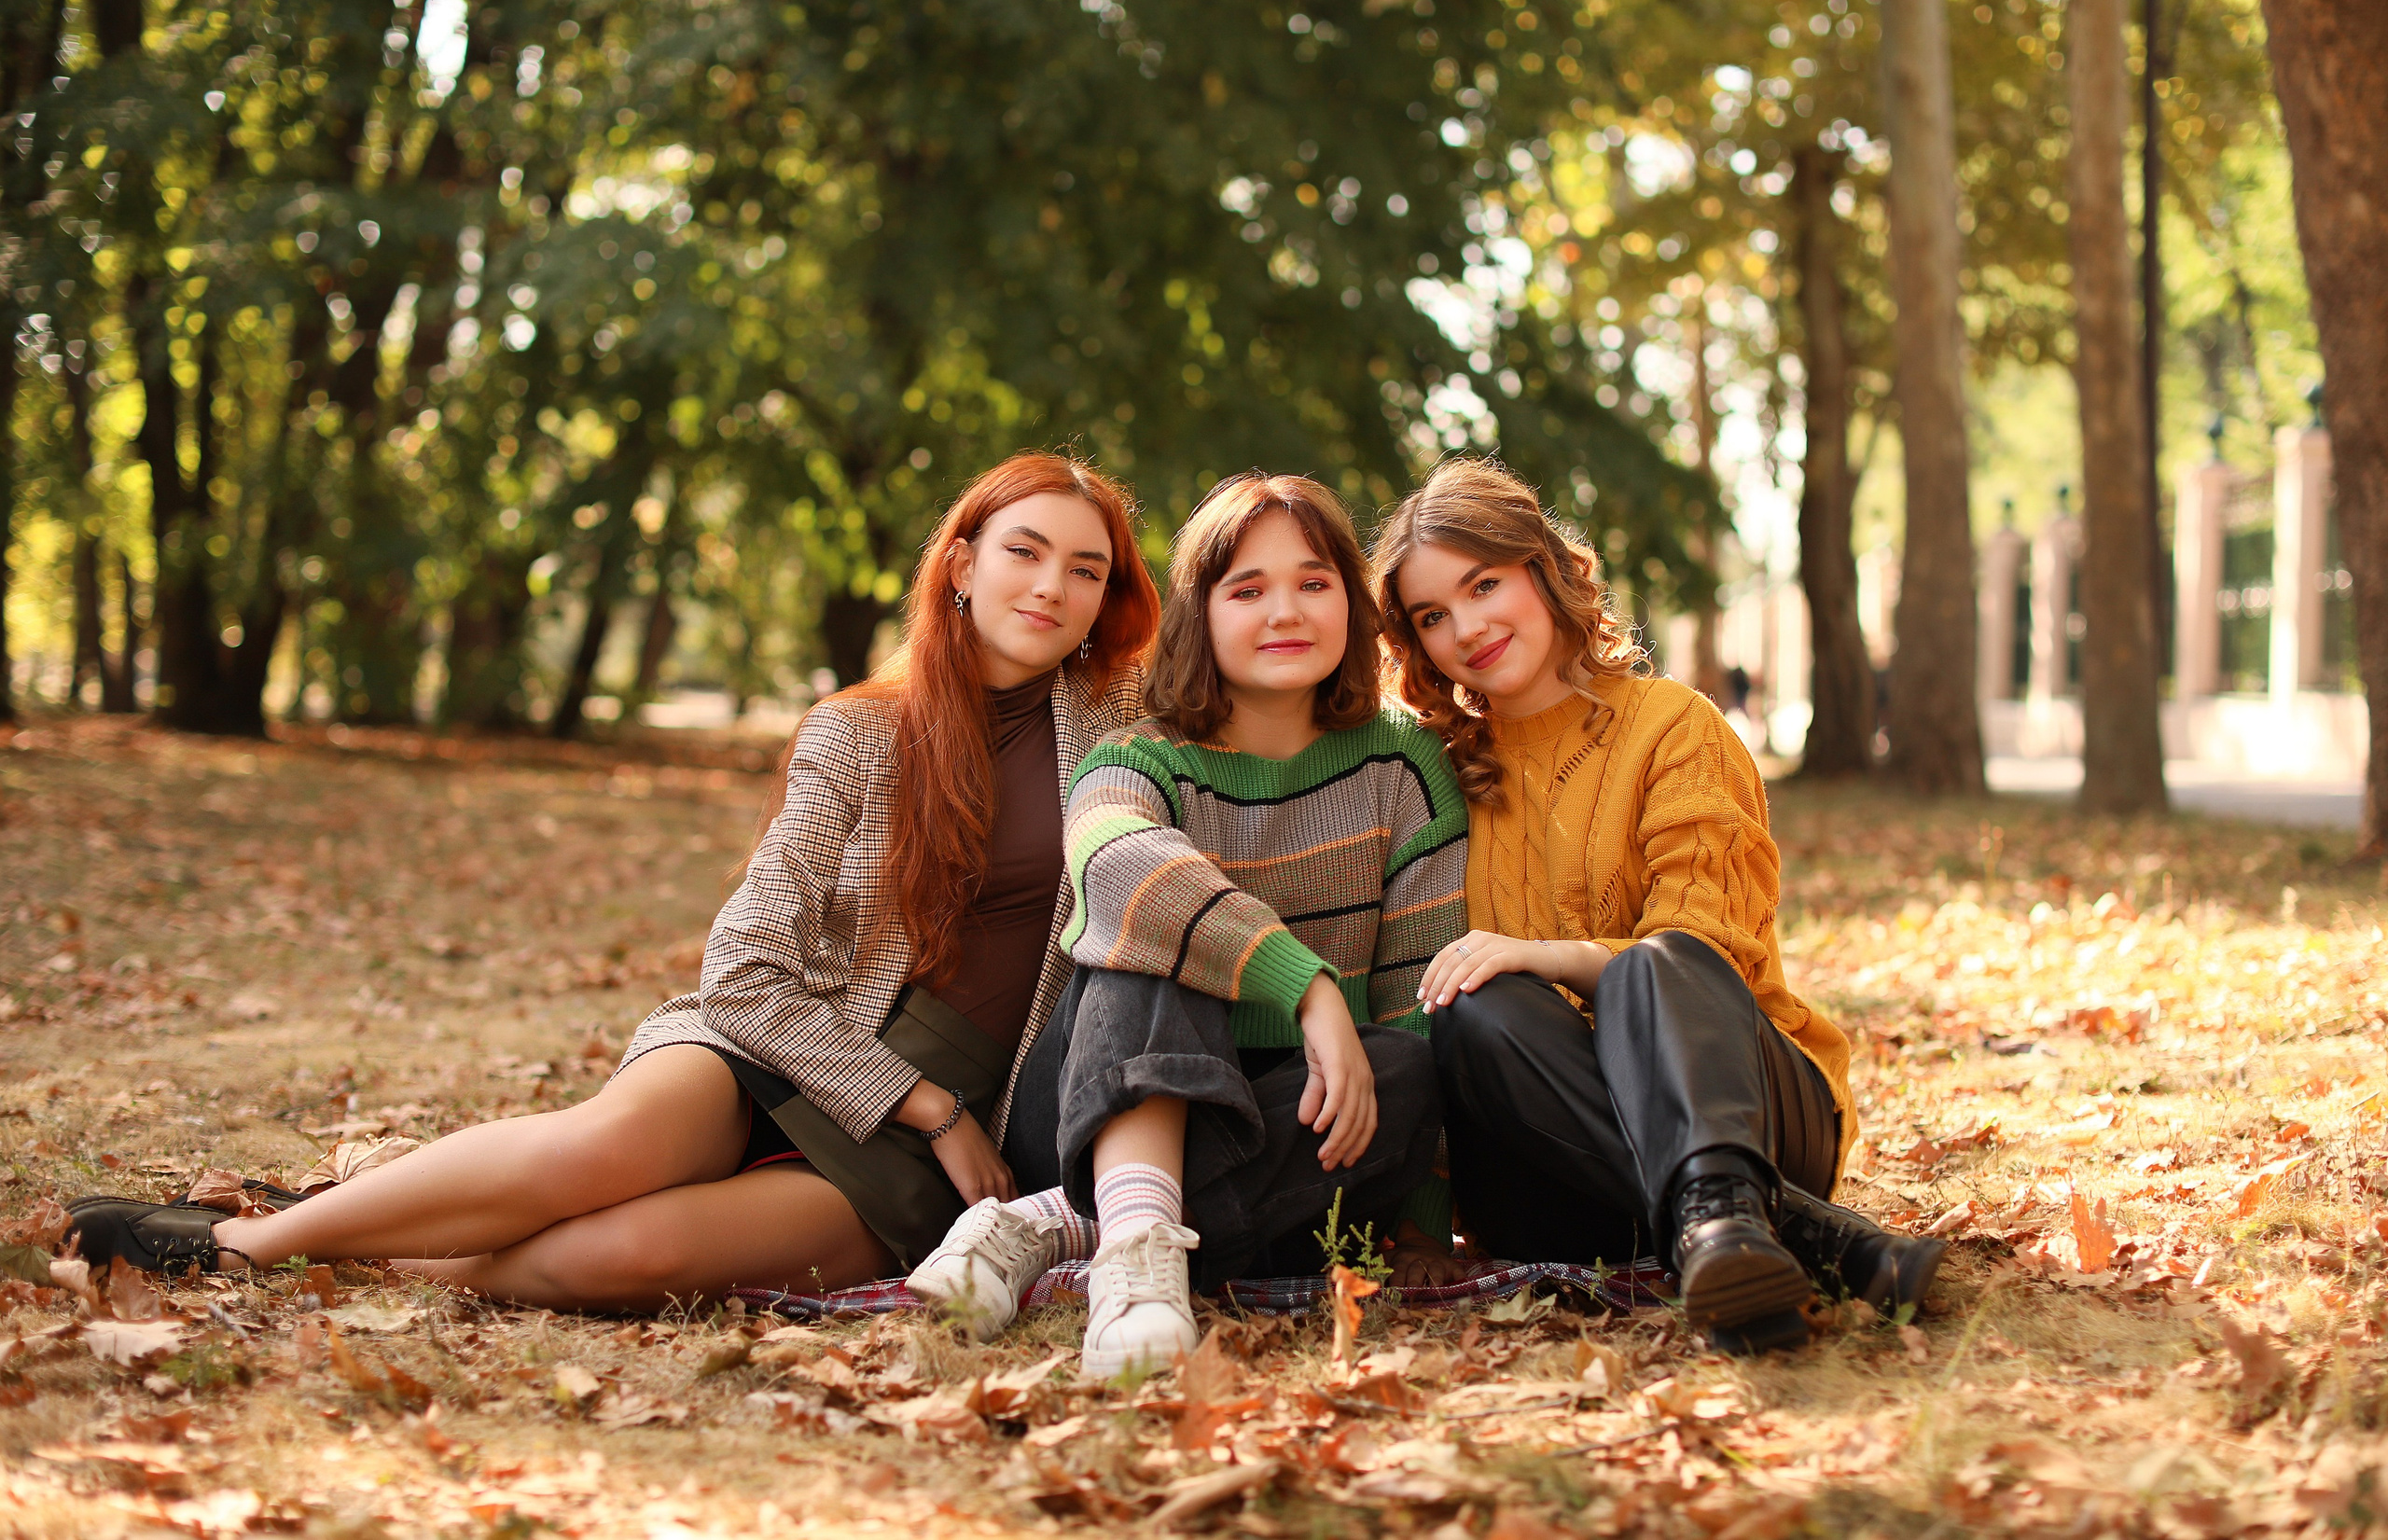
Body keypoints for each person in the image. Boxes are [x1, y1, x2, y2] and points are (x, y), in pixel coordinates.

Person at [67, 454, 1160, 1311]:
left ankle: (392, 1259)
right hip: (784, 1044)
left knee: (636, 1255)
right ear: (962, 564)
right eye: (1026, 551)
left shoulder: (1118, 731)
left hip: (952, 1130)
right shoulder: (857, 734)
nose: (1052, 586)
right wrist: (917, 1103)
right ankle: (243, 1244)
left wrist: (947, 1117)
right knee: (608, 1150)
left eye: (1086, 569)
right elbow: (741, 973)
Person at [1372, 457, 1943, 1353]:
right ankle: (1768, 1233)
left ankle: (1728, 1206)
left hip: (1744, 1103)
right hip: (1549, 1161)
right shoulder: (1437, 777)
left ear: (1544, 570)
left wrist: (1546, 954)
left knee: (1656, 964)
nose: (1467, 628)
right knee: (1474, 1005)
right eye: (1433, 616)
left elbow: (1706, 945)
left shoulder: (1673, 726)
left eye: (1484, 584)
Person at [906, 474, 1465, 1376]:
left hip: (1294, 1128)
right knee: (1147, 924)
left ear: (1353, 606)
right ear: (1199, 614)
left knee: (1409, 1063)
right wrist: (1309, 988)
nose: (1285, 610)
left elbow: (1414, 995)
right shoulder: (1139, 755)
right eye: (1247, 589)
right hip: (1093, 1095)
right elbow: (1114, 861)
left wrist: (1422, 1223)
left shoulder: (1404, 767)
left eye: (1314, 583)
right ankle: (1133, 1261)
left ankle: (1062, 1224)